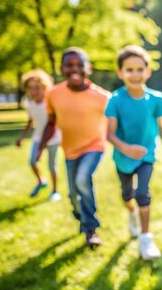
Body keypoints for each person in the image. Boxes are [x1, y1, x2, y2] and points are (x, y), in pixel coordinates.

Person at [106, 45, 162, 260]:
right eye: (129, 70)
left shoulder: (156, 99)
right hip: (123, 158)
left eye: (140, 69)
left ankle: (146, 239)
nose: (135, 74)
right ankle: (132, 214)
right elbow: (109, 134)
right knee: (127, 195)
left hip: (147, 156)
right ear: (120, 73)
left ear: (148, 71)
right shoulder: (115, 100)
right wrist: (126, 148)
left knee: (143, 194)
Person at [38, 47, 110, 249]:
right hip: (70, 150)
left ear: (89, 68)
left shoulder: (102, 97)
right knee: (72, 194)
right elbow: (51, 123)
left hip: (95, 146)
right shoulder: (53, 94)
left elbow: (116, 122)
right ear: (61, 68)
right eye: (69, 65)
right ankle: (80, 213)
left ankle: (90, 229)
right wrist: (39, 148)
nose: (75, 69)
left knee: (82, 180)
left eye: (80, 65)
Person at [16, 69, 62, 201]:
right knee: (32, 161)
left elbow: (52, 125)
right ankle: (41, 181)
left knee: (52, 165)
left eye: (37, 88)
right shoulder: (29, 104)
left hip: (53, 138)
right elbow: (31, 122)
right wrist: (22, 137)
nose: (34, 91)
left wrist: (41, 148)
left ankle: (55, 191)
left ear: (45, 87)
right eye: (30, 88)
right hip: (38, 136)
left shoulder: (50, 102)